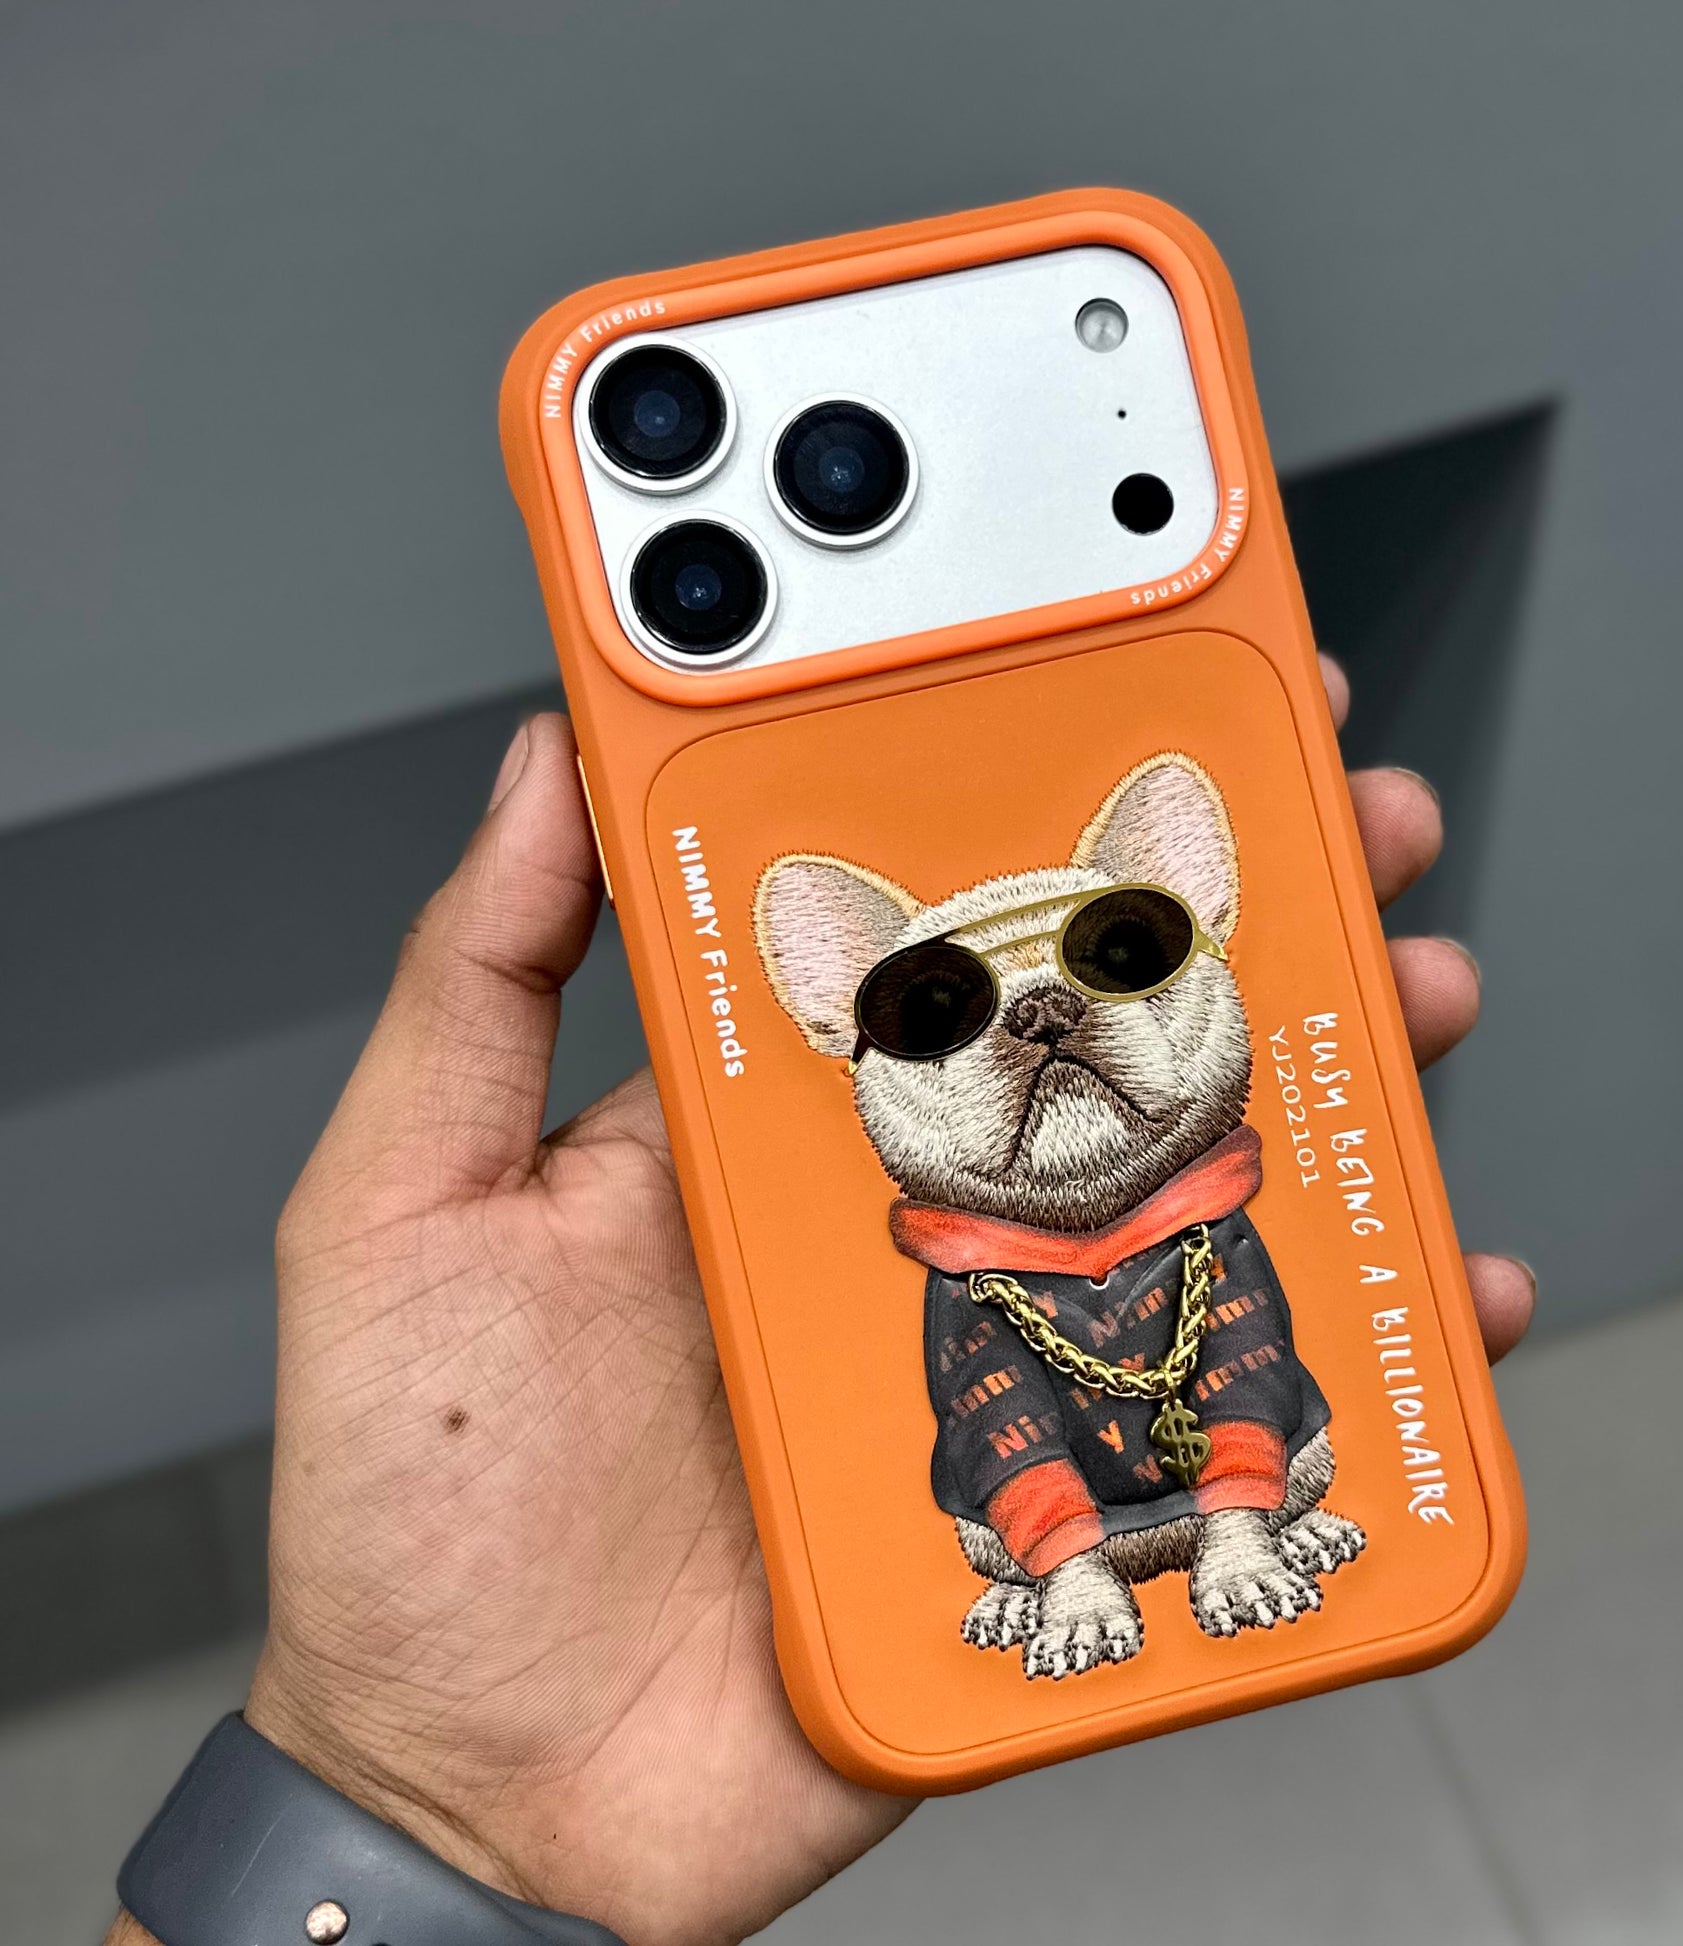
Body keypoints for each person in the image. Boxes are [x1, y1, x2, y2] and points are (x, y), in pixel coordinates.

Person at [105, 675, 1534, 1946]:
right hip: (1045, 1541)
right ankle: (1091, 1566)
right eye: (941, 1014)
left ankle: (1241, 1525)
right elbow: (997, 1427)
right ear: (840, 1035)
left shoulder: (1216, 1240)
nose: (1042, 1020)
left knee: (1283, 1398)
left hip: (1239, 1498)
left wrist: (410, 1813)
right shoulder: (975, 1297)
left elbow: (1250, 1366)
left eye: (1118, 956)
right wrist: (406, 1794)